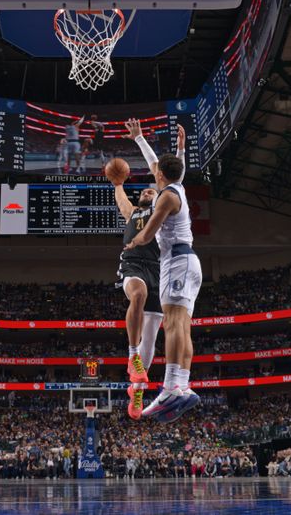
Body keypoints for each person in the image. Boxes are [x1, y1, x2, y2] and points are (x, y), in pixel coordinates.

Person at [124, 119, 201, 423]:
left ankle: (170, 386)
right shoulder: (176, 185)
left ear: (159, 175)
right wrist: (175, 147)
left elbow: (149, 230)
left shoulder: (167, 196)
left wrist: (136, 241)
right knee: (182, 324)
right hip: (189, 260)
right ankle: (182, 384)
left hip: (177, 260)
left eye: (155, 170)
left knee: (173, 323)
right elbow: (165, 166)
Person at [110, 177, 163, 419]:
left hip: (158, 268)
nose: (147, 193)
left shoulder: (162, 210)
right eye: (144, 191)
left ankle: (138, 389)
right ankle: (133, 355)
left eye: (151, 191)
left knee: (151, 334)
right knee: (138, 293)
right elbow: (121, 198)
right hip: (133, 264)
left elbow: (167, 186)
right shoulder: (132, 213)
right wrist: (117, 182)